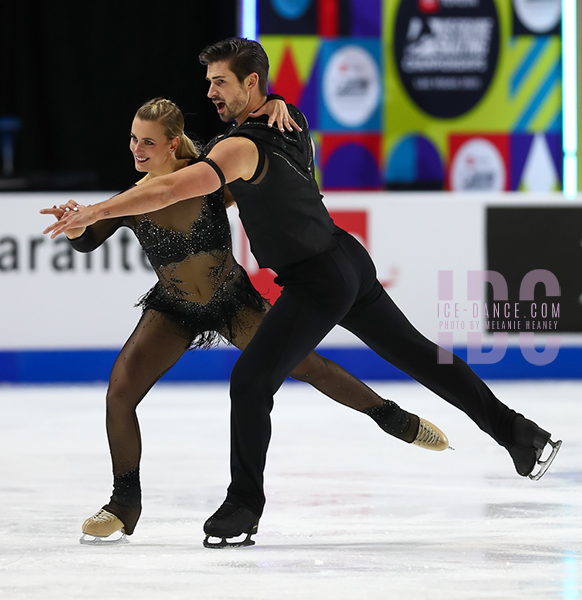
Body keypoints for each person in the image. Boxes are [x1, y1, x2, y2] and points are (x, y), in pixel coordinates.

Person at [44, 38, 561, 549]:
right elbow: (172, 180)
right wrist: (280, 104)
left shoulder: (239, 146)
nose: (211, 94)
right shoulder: (287, 119)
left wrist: (97, 209)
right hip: (346, 261)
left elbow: (174, 188)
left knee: (250, 381)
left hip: (318, 280)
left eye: (219, 82)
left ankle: (244, 505)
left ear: (250, 83)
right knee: (425, 358)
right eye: (208, 84)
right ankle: (520, 436)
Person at [41, 97, 448, 544]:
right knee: (120, 393)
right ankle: (124, 503)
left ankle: (390, 417)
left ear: (173, 144)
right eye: (134, 139)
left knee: (307, 366)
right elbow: (87, 239)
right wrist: (75, 224)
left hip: (234, 302)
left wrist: (276, 104)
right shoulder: (132, 199)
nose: (137, 149)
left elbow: (268, 177)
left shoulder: (211, 180)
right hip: (173, 308)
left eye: (148, 142)